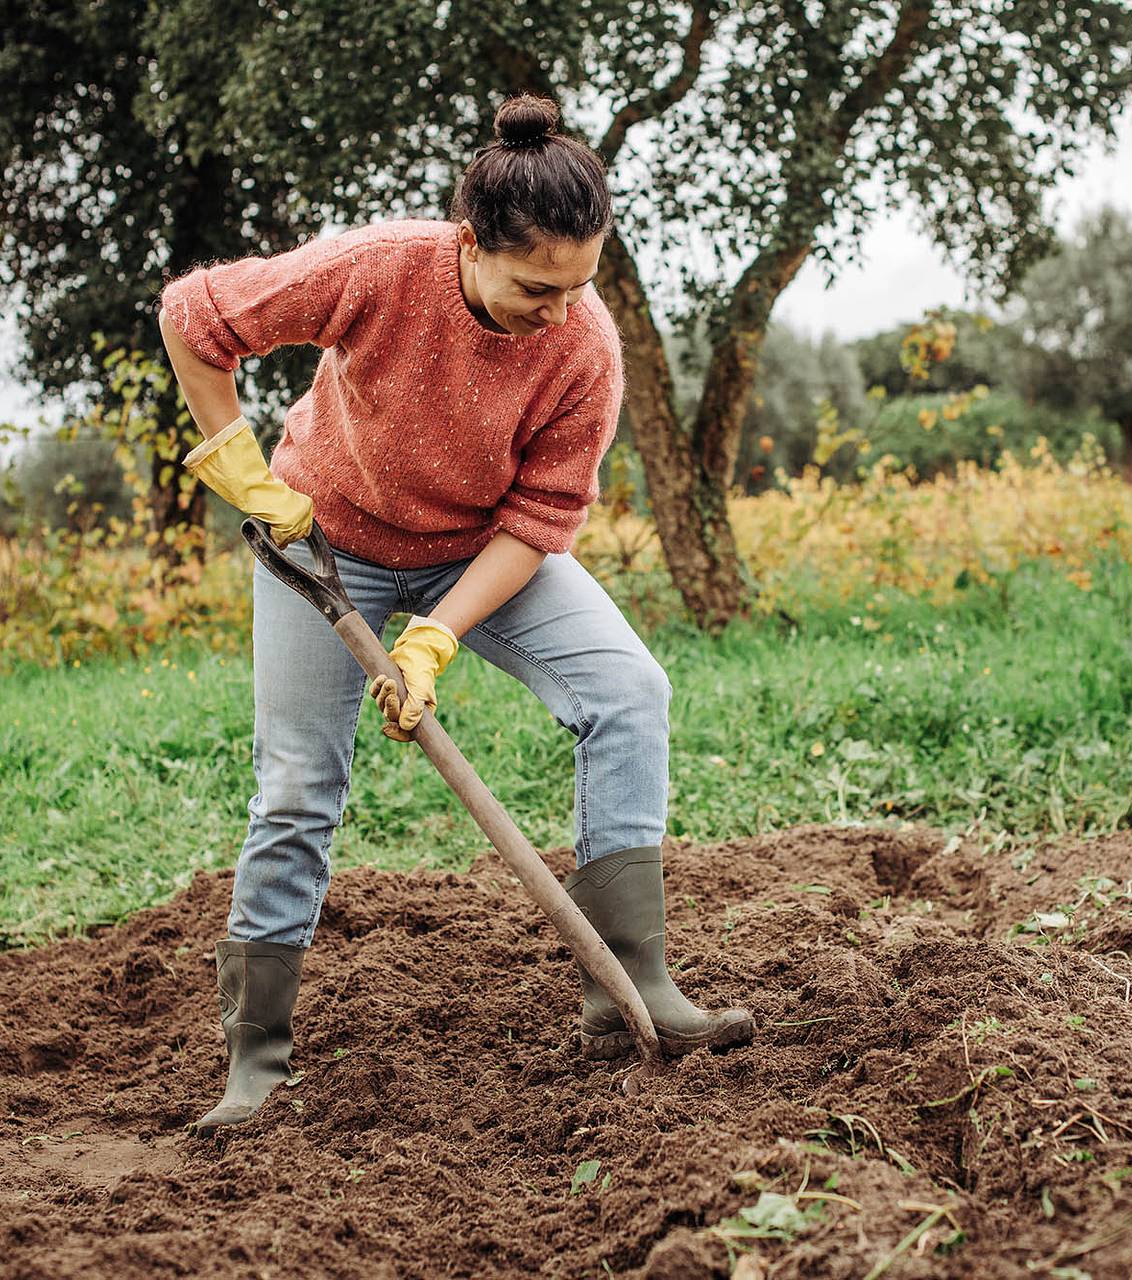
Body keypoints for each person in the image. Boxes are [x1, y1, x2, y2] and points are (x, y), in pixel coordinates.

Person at [157, 94, 755, 1137]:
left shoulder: (585, 350)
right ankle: (254, 1059)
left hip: (478, 551)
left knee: (627, 690)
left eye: (580, 284)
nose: (559, 310)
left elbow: (539, 518)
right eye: (535, 285)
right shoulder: (383, 265)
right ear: (469, 243)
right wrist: (240, 468)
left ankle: (632, 987)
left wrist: (435, 636)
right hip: (321, 543)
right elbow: (194, 316)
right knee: (298, 782)